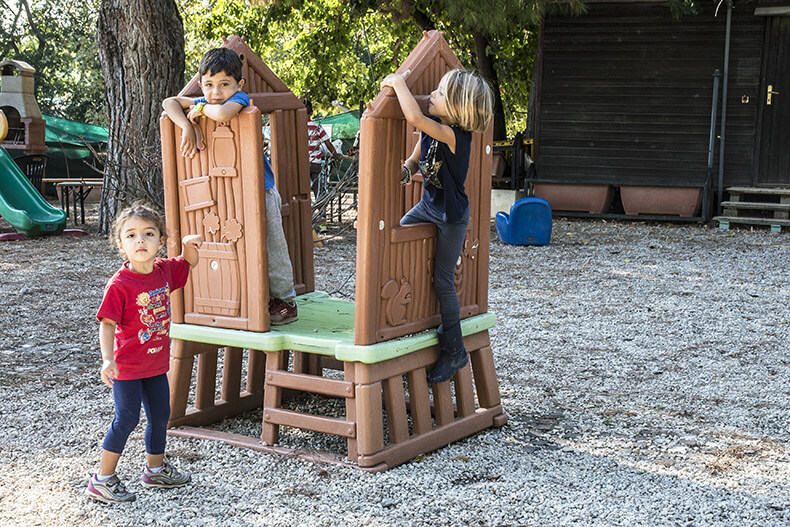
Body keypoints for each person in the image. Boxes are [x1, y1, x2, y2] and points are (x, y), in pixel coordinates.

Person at [162, 47, 298, 324]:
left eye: (224, 84)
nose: (216, 92)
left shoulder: (239, 99)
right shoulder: (205, 98)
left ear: (238, 85)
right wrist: (187, 127)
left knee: (272, 244)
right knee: (235, 245)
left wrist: (198, 108)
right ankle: (250, 296)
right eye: (209, 85)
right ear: (201, 84)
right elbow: (168, 103)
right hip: (229, 192)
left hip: (262, 190)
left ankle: (285, 299)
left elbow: (223, 114)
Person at [381, 68, 493, 384]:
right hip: (428, 206)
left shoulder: (456, 136)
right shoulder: (434, 129)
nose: (432, 94)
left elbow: (414, 119)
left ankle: (453, 349)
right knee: (398, 236)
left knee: (442, 279)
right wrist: (406, 169)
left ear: (456, 108)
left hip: (451, 216)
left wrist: (399, 83)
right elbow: (417, 155)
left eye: (440, 93)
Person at [88, 202, 202, 504]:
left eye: (149, 234)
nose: (141, 241)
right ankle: (102, 479)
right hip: (127, 367)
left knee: (160, 415)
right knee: (126, 419)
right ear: (120, 244)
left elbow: (188, 262)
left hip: (155, 365)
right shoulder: (119, 285)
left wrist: (191, 245)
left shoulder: (163, 271)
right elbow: (107, 325)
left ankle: (154, 470)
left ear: (160, 241)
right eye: (132, 236)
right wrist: (107, 359)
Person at [304, 99, 344, 233]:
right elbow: (327, 143)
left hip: (302, 166)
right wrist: (336, 155)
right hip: (315, 164)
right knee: (320, 193)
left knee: (302, 195)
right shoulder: (316, 127)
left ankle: (305, 224)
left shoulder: (296, 127)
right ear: (312, 112)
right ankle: (321, 225)